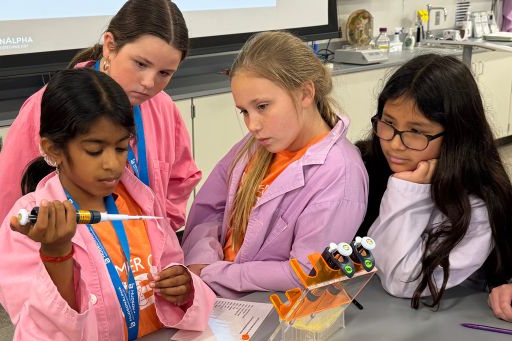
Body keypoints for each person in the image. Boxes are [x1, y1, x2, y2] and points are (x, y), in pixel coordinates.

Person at [0, 69, 215, 341]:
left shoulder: (141, 201)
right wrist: (56, 255)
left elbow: (173, 273)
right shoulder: (31, 226)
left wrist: (185, 290)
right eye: (94, 150)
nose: (112, 164)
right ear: (54, 149)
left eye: (122, 148)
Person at [0, 0, 200, 252]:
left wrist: (158, 231)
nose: (149, 82)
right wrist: (27, 269)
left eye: (165, 73)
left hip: (142, 264)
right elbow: (5, 205)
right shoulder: (47, 106)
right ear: (110, 46)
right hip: (71, 267)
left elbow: (181, 178)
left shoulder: (162, 107)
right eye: (140, 64)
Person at [181, 31, 368, 299]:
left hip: (263, 307)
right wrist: (202, 258)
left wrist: (214, 273)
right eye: (244, 111)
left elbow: (306, 272)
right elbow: (211, 210)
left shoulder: (340, 173)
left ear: (305, 93)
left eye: (263, 106)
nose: (252, 125)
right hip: (211, 292)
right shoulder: (256, 145)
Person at [357, 54, 512, 309]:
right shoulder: (368, 164)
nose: (395, 144)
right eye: (388, 123)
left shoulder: (478, 204)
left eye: (417, 132)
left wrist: (407, 190)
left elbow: (401, 281)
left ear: (455, 137)